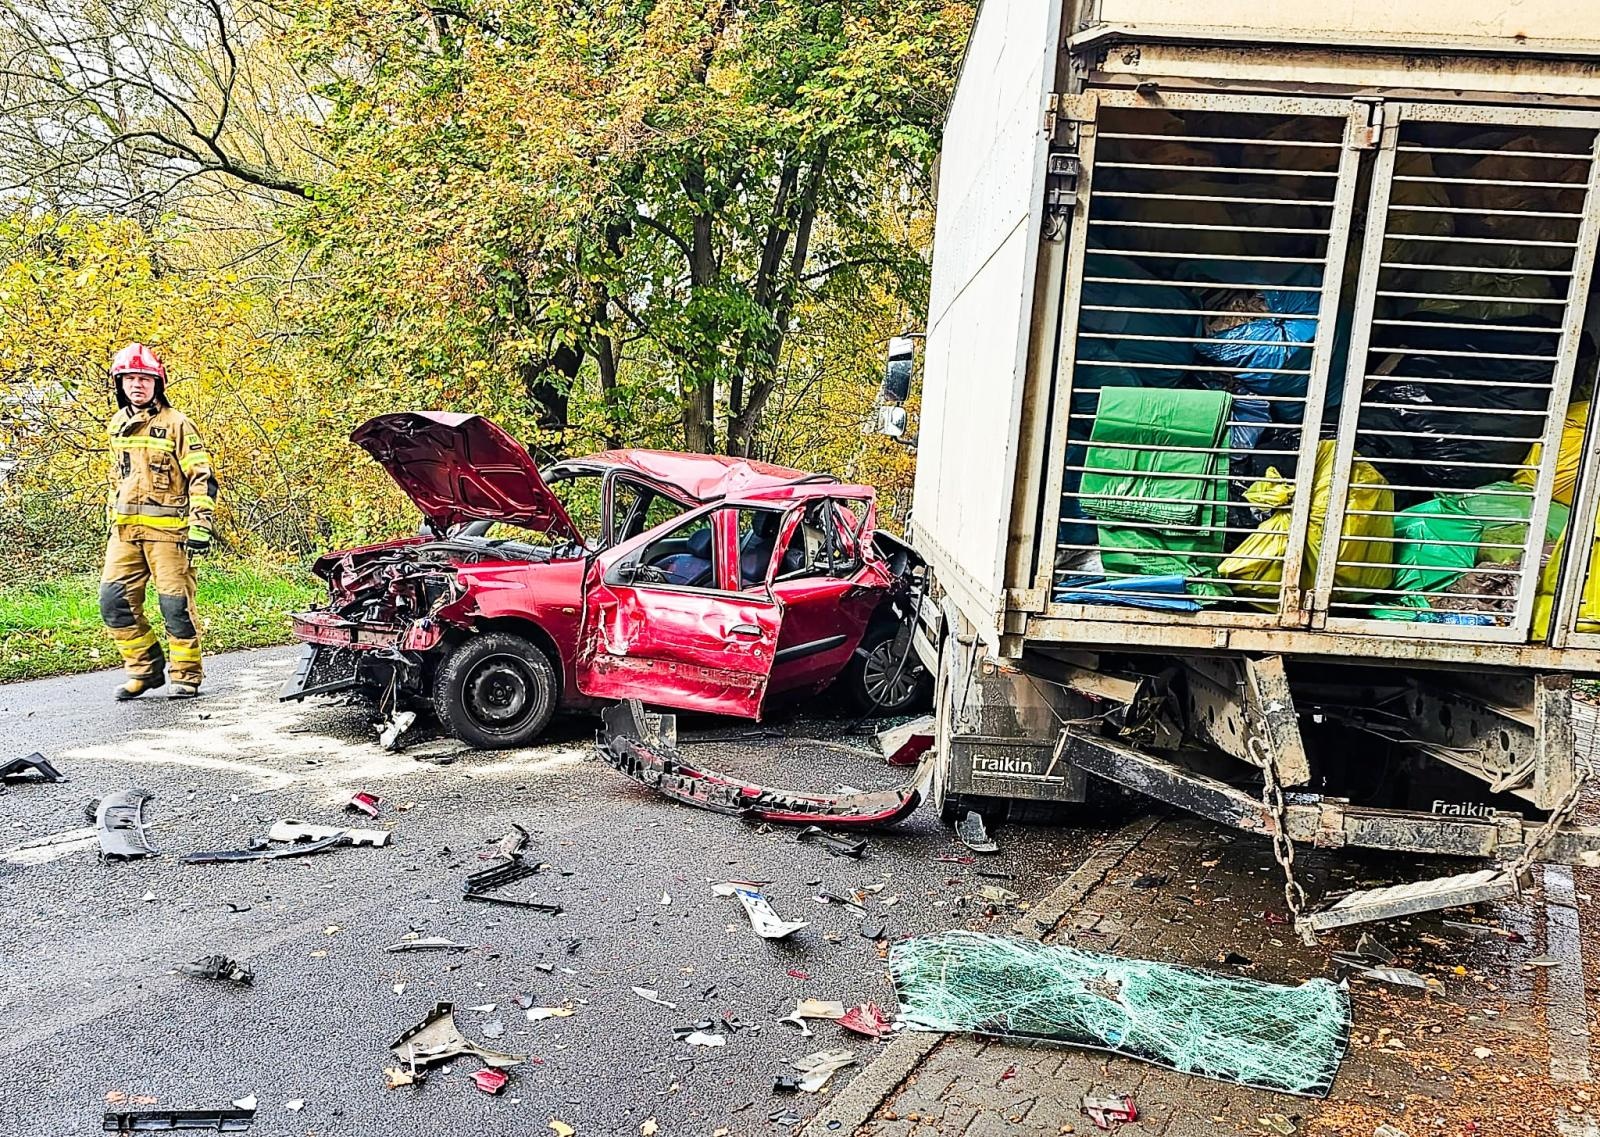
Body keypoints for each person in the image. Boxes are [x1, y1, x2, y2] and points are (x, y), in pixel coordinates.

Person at [99, 343, 218, 700]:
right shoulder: (118, 424)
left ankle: (186, 674)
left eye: (144, 379)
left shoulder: (176, 424)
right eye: (130, 379)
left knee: (175, 607)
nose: (137, 385)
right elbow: (118, 478)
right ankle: (145, 669)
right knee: (113, 602)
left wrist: (200, 524)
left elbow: (202, 476)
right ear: (121, 384)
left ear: (157, 383)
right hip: (125, 534)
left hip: (169, 536)